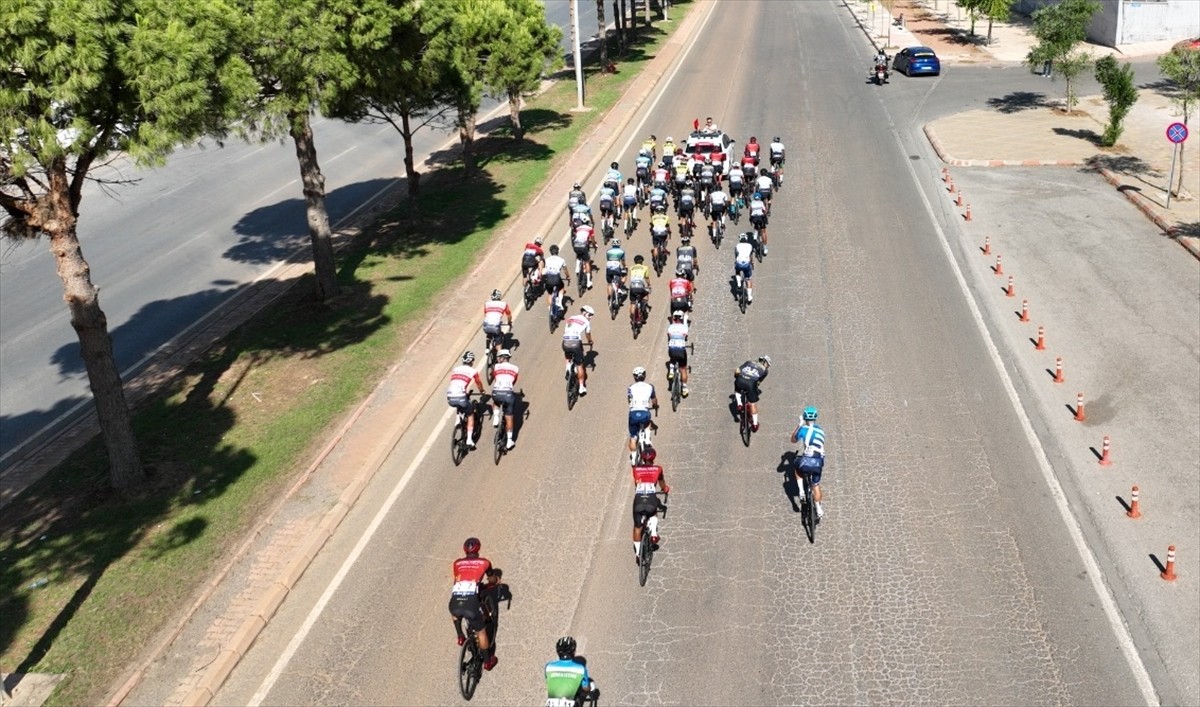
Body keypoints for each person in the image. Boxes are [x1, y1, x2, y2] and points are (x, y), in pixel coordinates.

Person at [449, 537, 502, 671]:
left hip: (455, 599)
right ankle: (487, 661)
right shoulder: (484, 562)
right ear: (478, 549)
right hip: (472, 602)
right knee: (481, 632)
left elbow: (460, 579)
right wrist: (494, 581)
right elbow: (491, 579)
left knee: (455, 611)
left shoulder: (457, 563)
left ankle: (460, 636)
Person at [631, 447, 669, 565]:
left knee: (637, 527)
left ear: (642, 457)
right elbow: (662, 483)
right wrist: (665, 488)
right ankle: (653, 533)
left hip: (638, 499)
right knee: (653, 512)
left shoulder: (636, 469)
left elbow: (636, 483)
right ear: (654, 457)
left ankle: (638, 554)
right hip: (651, 498)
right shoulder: (658, 469)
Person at [791, 406, 827, 521]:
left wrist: (800, 424)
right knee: (815, 485)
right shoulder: (821, 430)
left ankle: (801, 492)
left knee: (797, 467)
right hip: (818, 462)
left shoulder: (803, 429)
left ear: (805, 417)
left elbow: (793, 440)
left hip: (806, 461)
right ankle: (818, 509)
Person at [545, 637, 598, 706]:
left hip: (551, 704)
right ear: (574, 652)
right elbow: (586, 688)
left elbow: (547, 680)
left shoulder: (548, 666)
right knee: (591, 685)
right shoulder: (580, 669)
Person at [447, 352, 484, 448]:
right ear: (471, 361)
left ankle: (458, 420)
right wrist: (482, 391)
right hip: (461, 396)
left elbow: (457, 383)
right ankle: (469, 440)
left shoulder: (455, 369)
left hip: (450, 396)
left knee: (458, 403)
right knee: (470, 414)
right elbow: (478, 383)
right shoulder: (473, 371)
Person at [627, 367, 658, 465]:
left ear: (634, 377)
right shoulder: (650, 386)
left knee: (633, 436)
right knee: (647, 423)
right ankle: (647, 439)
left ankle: (633, 457)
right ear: (644, 376)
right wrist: (655, 406)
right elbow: (654, 400)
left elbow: (629, 399)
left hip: (633, 413)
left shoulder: (630, 387)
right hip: (644, 412)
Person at [562, 305, 595, 394]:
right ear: (585, 313)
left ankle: (568, 367)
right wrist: (590, 341)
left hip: (565, 340)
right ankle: (581, 387)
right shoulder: (586, 322)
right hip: (576, 342)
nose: (591, 317)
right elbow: (587, 334)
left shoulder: (571, 318)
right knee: (580, 365)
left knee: (567, 353)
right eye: (590, 315)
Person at [733, 355, 771, 432]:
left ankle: (739, 404)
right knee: (752, 404)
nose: (767, 367)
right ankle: (755, 424)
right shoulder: (765, 371)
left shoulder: (748, 362)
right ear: (765, 363)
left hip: (740, 379)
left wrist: (737, 378)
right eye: (768, 365)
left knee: (737, 389)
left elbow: (737, 370)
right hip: (750, 384)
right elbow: (758, 382)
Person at [490, 350, 519, 450]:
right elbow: (514, 381)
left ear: (502, 358)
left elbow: (494, 376)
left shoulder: (496, 366)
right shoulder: (515, 368)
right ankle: (510, 441)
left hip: (496, 392)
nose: (497, 359)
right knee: (509, 417)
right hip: (508, 393)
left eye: (498, 357)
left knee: (496, 401)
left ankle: (496, 416)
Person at [666, 311, 690, 397]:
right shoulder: (684, 327)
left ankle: (671, 370)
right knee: (683, 369)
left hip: (672, 348)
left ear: (674, 318)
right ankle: (684, 388)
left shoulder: (670, 327)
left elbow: (669, 336)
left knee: (672, 358)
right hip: (681, 350)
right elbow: (686, 337)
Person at [482, 289, 512, 354]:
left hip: (486, 324)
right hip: (496, 325)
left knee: (489, 333)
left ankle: (487, 348)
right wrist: (509, 322)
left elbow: (485, 314)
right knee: (498, 336)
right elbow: (509, 315)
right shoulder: (504, 304)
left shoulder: (486, 304)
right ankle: (499, 354)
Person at [543, 244, 570, 311]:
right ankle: (559, 303)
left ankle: (550, 307)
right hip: (556, 278)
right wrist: (567, 276)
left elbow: (544, 269)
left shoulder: (546, 260)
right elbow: (565, 270)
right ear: (557, 251)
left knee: (550, 293)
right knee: (561, 287)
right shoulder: (561, 260)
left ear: (550, 252)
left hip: (548, 278)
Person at [572, 218, 596, 289]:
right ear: (588, 222)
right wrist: (594, 245)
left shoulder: (578, 228)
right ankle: (588, 282)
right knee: (587, 262)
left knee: (578, 254)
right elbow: (592, 239)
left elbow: (577, 235)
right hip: (584, 245)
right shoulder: (590, 228)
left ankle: (577, 267)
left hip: (575, 245)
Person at [627, 254, 652, 321]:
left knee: (633, 303)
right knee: (646, 295)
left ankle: (633, 316)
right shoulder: (645, 268)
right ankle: (644, 307)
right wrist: (649, 285)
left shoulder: (631, 268)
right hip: (640, 286)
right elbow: (646, 278)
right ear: (642, 261)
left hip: (632, 287)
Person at [734, 232, 755, 303]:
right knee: (748, 279)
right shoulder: (750, 245)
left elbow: (736, 255)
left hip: (739, 263)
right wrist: (752, 263)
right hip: (747, 263)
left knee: (737, 272)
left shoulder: (737, 245)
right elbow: (751, 256)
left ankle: (739, 284)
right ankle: (749, 296)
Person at [604, 238, 628, 303]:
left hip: (609, 266)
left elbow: (608, 258)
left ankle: (610, 297)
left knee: (609, 283)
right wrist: (625, 266)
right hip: (616, 266)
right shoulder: (621, 251)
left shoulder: (608, 251)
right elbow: (622, 261)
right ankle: (620, 287)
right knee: (624, 275)